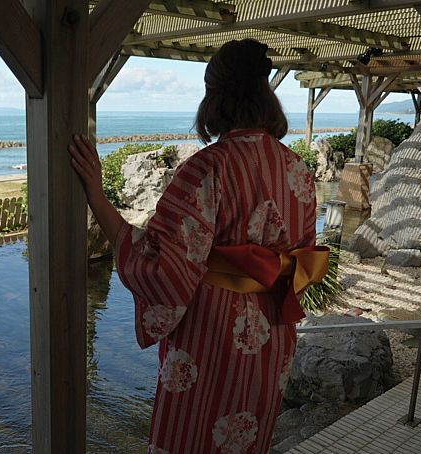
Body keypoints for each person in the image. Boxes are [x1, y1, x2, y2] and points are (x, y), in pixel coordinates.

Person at [68, 39, 327, 454]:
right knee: (245, 438)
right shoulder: (297, 168)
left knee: (191, 437)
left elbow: (163, 269)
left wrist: (97, 196)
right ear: (265, 94)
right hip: (272, 334)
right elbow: (303, 260)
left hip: (214, 338)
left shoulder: (207, 168)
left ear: (215, 97)